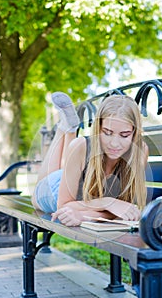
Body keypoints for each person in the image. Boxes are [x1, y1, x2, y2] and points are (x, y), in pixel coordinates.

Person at [32, 92, 148, 226]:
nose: (115, 143)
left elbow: (124, 210)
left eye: (124, 135)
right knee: (41, 188)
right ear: (98, 128)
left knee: (66, 167)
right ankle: (64, 129)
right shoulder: (81, 145)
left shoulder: (140, 151)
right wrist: (107, 202)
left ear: (135, 133)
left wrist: (83, 215)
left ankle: (67, 128)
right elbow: (63, 207)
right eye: (107, 133)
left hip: (77, 183)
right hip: (57, 189)